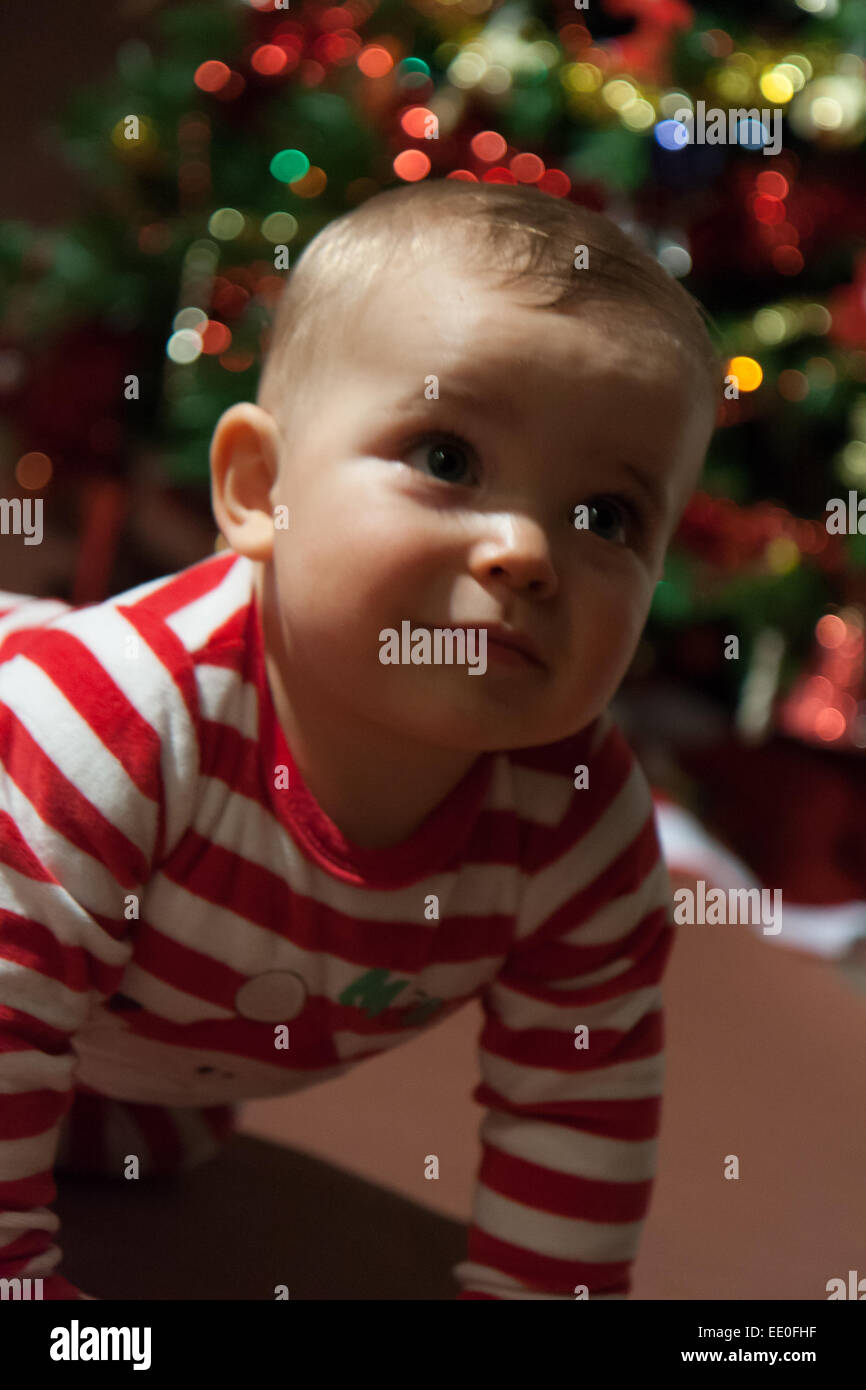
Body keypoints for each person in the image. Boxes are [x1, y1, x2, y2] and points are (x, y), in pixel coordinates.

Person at [0, 178, 721, 1300]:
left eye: (606, 517)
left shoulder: (578, 827)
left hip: (143, 1037)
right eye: (446, 459)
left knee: (148, 1143)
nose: (526, 550)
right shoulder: (98, 727)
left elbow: (579, 1095)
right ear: (258, 489)